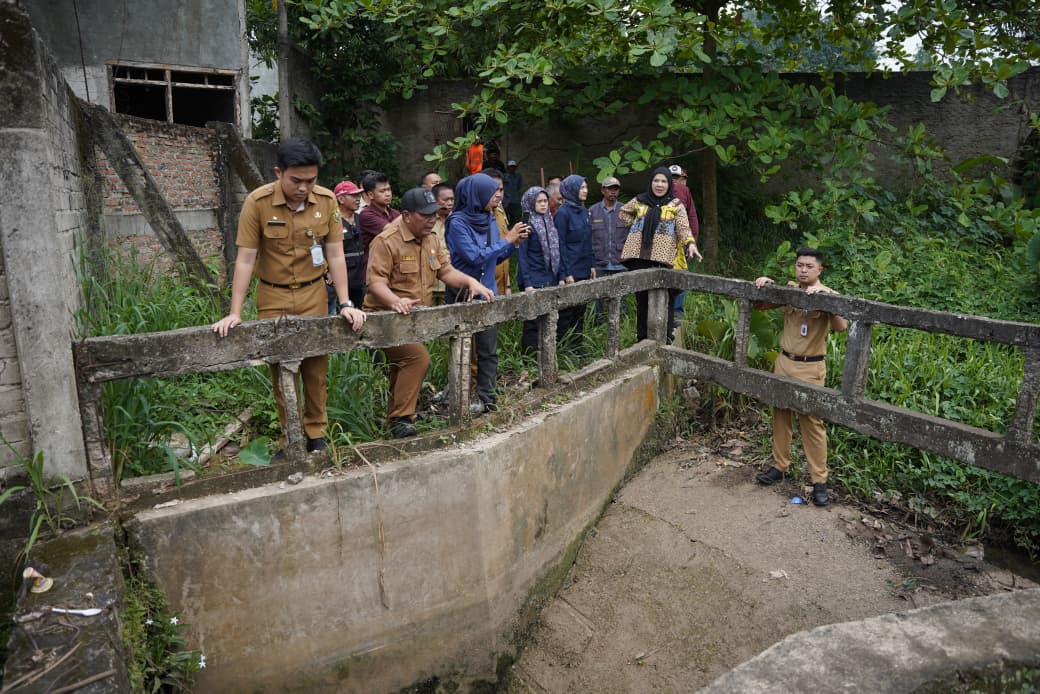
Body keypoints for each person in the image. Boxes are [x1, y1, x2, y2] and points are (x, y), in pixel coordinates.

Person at [212, 138, 367, 454]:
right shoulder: (258, 203)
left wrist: (346, 302)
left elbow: (335, 254)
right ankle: (289, 437)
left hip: (314, 294)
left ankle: (316, 434)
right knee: (283, 370)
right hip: (274, 296)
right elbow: (244, 258)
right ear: (278, 172)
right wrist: (235, 311)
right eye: (296, 180)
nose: (303, 188)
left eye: (310, 180)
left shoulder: (326, 202)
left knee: (316, 369)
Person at [364, 187, 494, 438]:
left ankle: (394, 419)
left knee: (402, 364)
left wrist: (471, 282)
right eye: (425, 215)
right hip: (384, 317)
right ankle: (401, 419)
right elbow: (375, 282)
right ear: (407, 215)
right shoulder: (386, 240)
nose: (432, 219)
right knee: (417, 358)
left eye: (434, 214)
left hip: (413, 319)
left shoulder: (432, 238)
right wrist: (395, 301)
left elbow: (445, 271)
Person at [754, 248, 848, 507]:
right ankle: (779, 466)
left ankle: (819, 481)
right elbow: (761, 304)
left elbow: (842, 327)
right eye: (799, 265)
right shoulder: (790, 291)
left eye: (809, 266)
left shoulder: (829, 295)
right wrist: (763, 284)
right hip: (784, 361)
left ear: (820, 269)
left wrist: (826, 301)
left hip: (811, 367)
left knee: (811, 422)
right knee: (780, 414)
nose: (803, 269)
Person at [445, 174, 529, 413]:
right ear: (477, 194)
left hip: (488, 292)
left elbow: (495, 256)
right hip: (464, 292)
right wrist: (507, 240)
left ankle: (487, 397)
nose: (497, 197)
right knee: (461, 349)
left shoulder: (490, 217)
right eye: (492, 192)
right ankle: (456, 397)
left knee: (488, 349)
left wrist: (513, 244)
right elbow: (473, 256)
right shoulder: (457, 222)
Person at [619, 166, 702, 342]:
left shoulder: (675, 205)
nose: (659, 184)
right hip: (640, 258)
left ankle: (665, 337)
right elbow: (624, 212)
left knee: (667, 298)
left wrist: (691, 244)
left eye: (663, 181)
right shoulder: (640, 201)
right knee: (642, 300)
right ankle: (642, 339)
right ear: (651, 183)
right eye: (656, 180)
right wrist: (637, 226)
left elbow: (684, 227)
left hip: (664, 259)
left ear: (669, 184)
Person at [517, 186, 564, 352]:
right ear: (531, 203)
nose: (543, 205)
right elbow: (522, 256)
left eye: (545, 201)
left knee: (549, 319)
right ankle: (529, 358)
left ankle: (547, 353)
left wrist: (560, 276)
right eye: (539, 201)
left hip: (549, 278)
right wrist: (528, 283)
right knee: (532, 322)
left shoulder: (549, 221)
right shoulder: (526, 224)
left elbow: (557, 250)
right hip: (533, 279)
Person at [555, 174, 596, 351]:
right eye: (582, 188)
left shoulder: (584, 210)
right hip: (571, 270)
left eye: (586, 187)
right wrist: (566, 273)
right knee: (567, 313)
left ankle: (577, 347)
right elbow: (560, 245)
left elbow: (588, 240)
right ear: (572, 190)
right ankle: (562, 348)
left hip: (584, 268)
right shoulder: (563, 213)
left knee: (580, 311)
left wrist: (592, 265)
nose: (585, 191)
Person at [668, 164, 700, 329]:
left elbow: (692, 217)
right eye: (672, 179)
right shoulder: (677, 190)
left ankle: (675, 315)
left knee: (679, 278)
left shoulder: (684, 192)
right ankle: (673, 314)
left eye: (678, 179)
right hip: (667, 245)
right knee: (676, 278)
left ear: (684, 179)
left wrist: (690, 242)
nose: (676, 183)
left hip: (681, 244)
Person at [326, 180, 365, 313]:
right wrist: (327, 271)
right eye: (353, 196)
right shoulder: (331, 222)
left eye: (358, 195)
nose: (358, 199)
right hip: (341, 280)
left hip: (361, 280)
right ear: (341, 199)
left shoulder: (362, 219)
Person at [358, 171, 399, 277]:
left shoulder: (395, 213)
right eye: (382, 191)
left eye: (389, 189)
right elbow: (391, 231)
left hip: (394, 269)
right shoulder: (366, 214)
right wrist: (410, 213)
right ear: (370, 195)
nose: (388, 194)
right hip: (374, 270)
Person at [481, 168, 514, 296]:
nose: (499, 194)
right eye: (494, 189)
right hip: (482, 288)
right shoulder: (473, 218)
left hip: (500, 285)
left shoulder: (500, 213)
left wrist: (508, 284)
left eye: (501, 190)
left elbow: (503, 249)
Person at [588, 176, 628, 278]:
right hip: (599, 265)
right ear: (602, 190)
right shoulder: (592, 211)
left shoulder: (626, 210)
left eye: (616, 189)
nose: (613, 192)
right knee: (600, 294)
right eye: (610, 189)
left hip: (621, 264)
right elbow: (587, 238)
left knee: (620, 294)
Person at [430, 182, 455, 305]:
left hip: (451, 281)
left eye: (452, 199)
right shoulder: (427, 220)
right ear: (435, 201)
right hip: (430, 282)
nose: (450, 203)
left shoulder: (457, 220)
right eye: (446, 200)